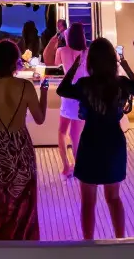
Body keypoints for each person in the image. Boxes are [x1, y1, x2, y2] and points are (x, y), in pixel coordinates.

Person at [56, 38, 134, 240]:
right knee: (113, 198)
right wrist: (125, 65)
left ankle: (89, 244)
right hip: (114, 142)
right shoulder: (121, 84)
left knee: (88, 202)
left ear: (92, 62)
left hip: (91, 142)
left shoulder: (85, 84)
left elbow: (62, 89)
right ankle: (120, 240)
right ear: (112, 61)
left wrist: (74, 67)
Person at [0, 39, 48, 240]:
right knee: (22, 195)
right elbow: (40, 119)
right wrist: (45, 93)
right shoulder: (26, 86)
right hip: (20, 145)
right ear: (15, 61)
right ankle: (21, 242)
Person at [45, 22, 87, 177]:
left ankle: (65, 166)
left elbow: (55, 64)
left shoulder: (62, 50)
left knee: (62, 132)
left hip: (68, 93)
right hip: (82, 95)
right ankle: (78, 165)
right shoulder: (87, 52)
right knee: (76, 135)